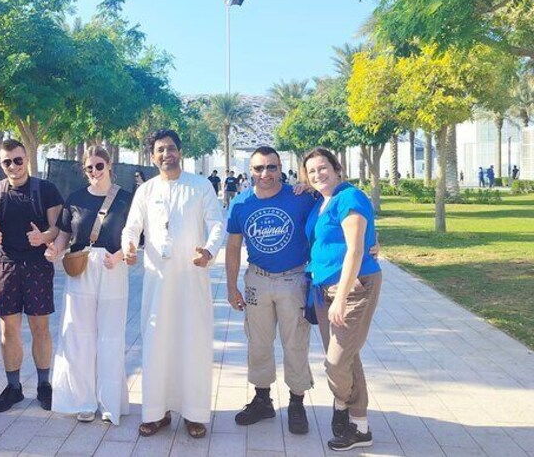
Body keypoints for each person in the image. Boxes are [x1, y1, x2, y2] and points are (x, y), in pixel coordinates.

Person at [121, 129, 224, 439]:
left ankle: (194, 414)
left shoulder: (200, 186)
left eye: (171, 148)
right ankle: (156, 413)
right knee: (157, 344)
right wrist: (128, 245)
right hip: (157, 283)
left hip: (192, 280)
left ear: (181, 151)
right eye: (160, 150)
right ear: (153, 156)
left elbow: (217, 222)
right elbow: (132, 226)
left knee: (193, 342)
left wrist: (209, 250)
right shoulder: (146, 190)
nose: (166, 154)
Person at [225, 146, 316, 436]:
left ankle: (297, 402)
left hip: (293, 280)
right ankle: (262, 400)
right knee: (259, 343)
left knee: (295, 343)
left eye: (271, 167)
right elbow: (233, 247)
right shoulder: (240, 204)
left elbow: (332, 214)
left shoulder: (300, 198)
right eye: (258, 168)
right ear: (250, 171)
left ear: (281, 168)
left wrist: (369, 243)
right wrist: (231, 287)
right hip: (257, 280)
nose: (265, 174)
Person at [45, 147, 133, 425]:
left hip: (112, 266)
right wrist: (54, 251)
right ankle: (82, 401)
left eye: (99, 166)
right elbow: (64, 235)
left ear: (109, 165)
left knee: (110, 336)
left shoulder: (126, 199)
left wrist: (119, 256)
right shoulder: (75, 199)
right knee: (78, 336)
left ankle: (109, 403)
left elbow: (137, 238)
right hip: (80, 267)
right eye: (89, 168)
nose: (94, 172)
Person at [304, 147, 382, 452]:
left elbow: (355, 249)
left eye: (323, 168)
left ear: (337, 168)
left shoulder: (349, 197)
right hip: (323, 289)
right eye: (311, 171)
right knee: (347, 356)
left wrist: (342, 297)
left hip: (352, 288)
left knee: (336, 362)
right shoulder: (322, 203)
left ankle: (341, 403)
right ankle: (359, 426)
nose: (318, 175)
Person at [0, 140, 64, 413]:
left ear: (27, 158)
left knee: (41, 329)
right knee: (8, 330)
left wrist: (43, 237)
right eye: (7, 162)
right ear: (0, 164)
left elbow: (57, 229)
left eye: (17, 160)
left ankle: (43, 385)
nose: (13, 166)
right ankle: (13, 388)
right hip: (6, 266)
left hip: (38, 267)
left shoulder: (46, 190)